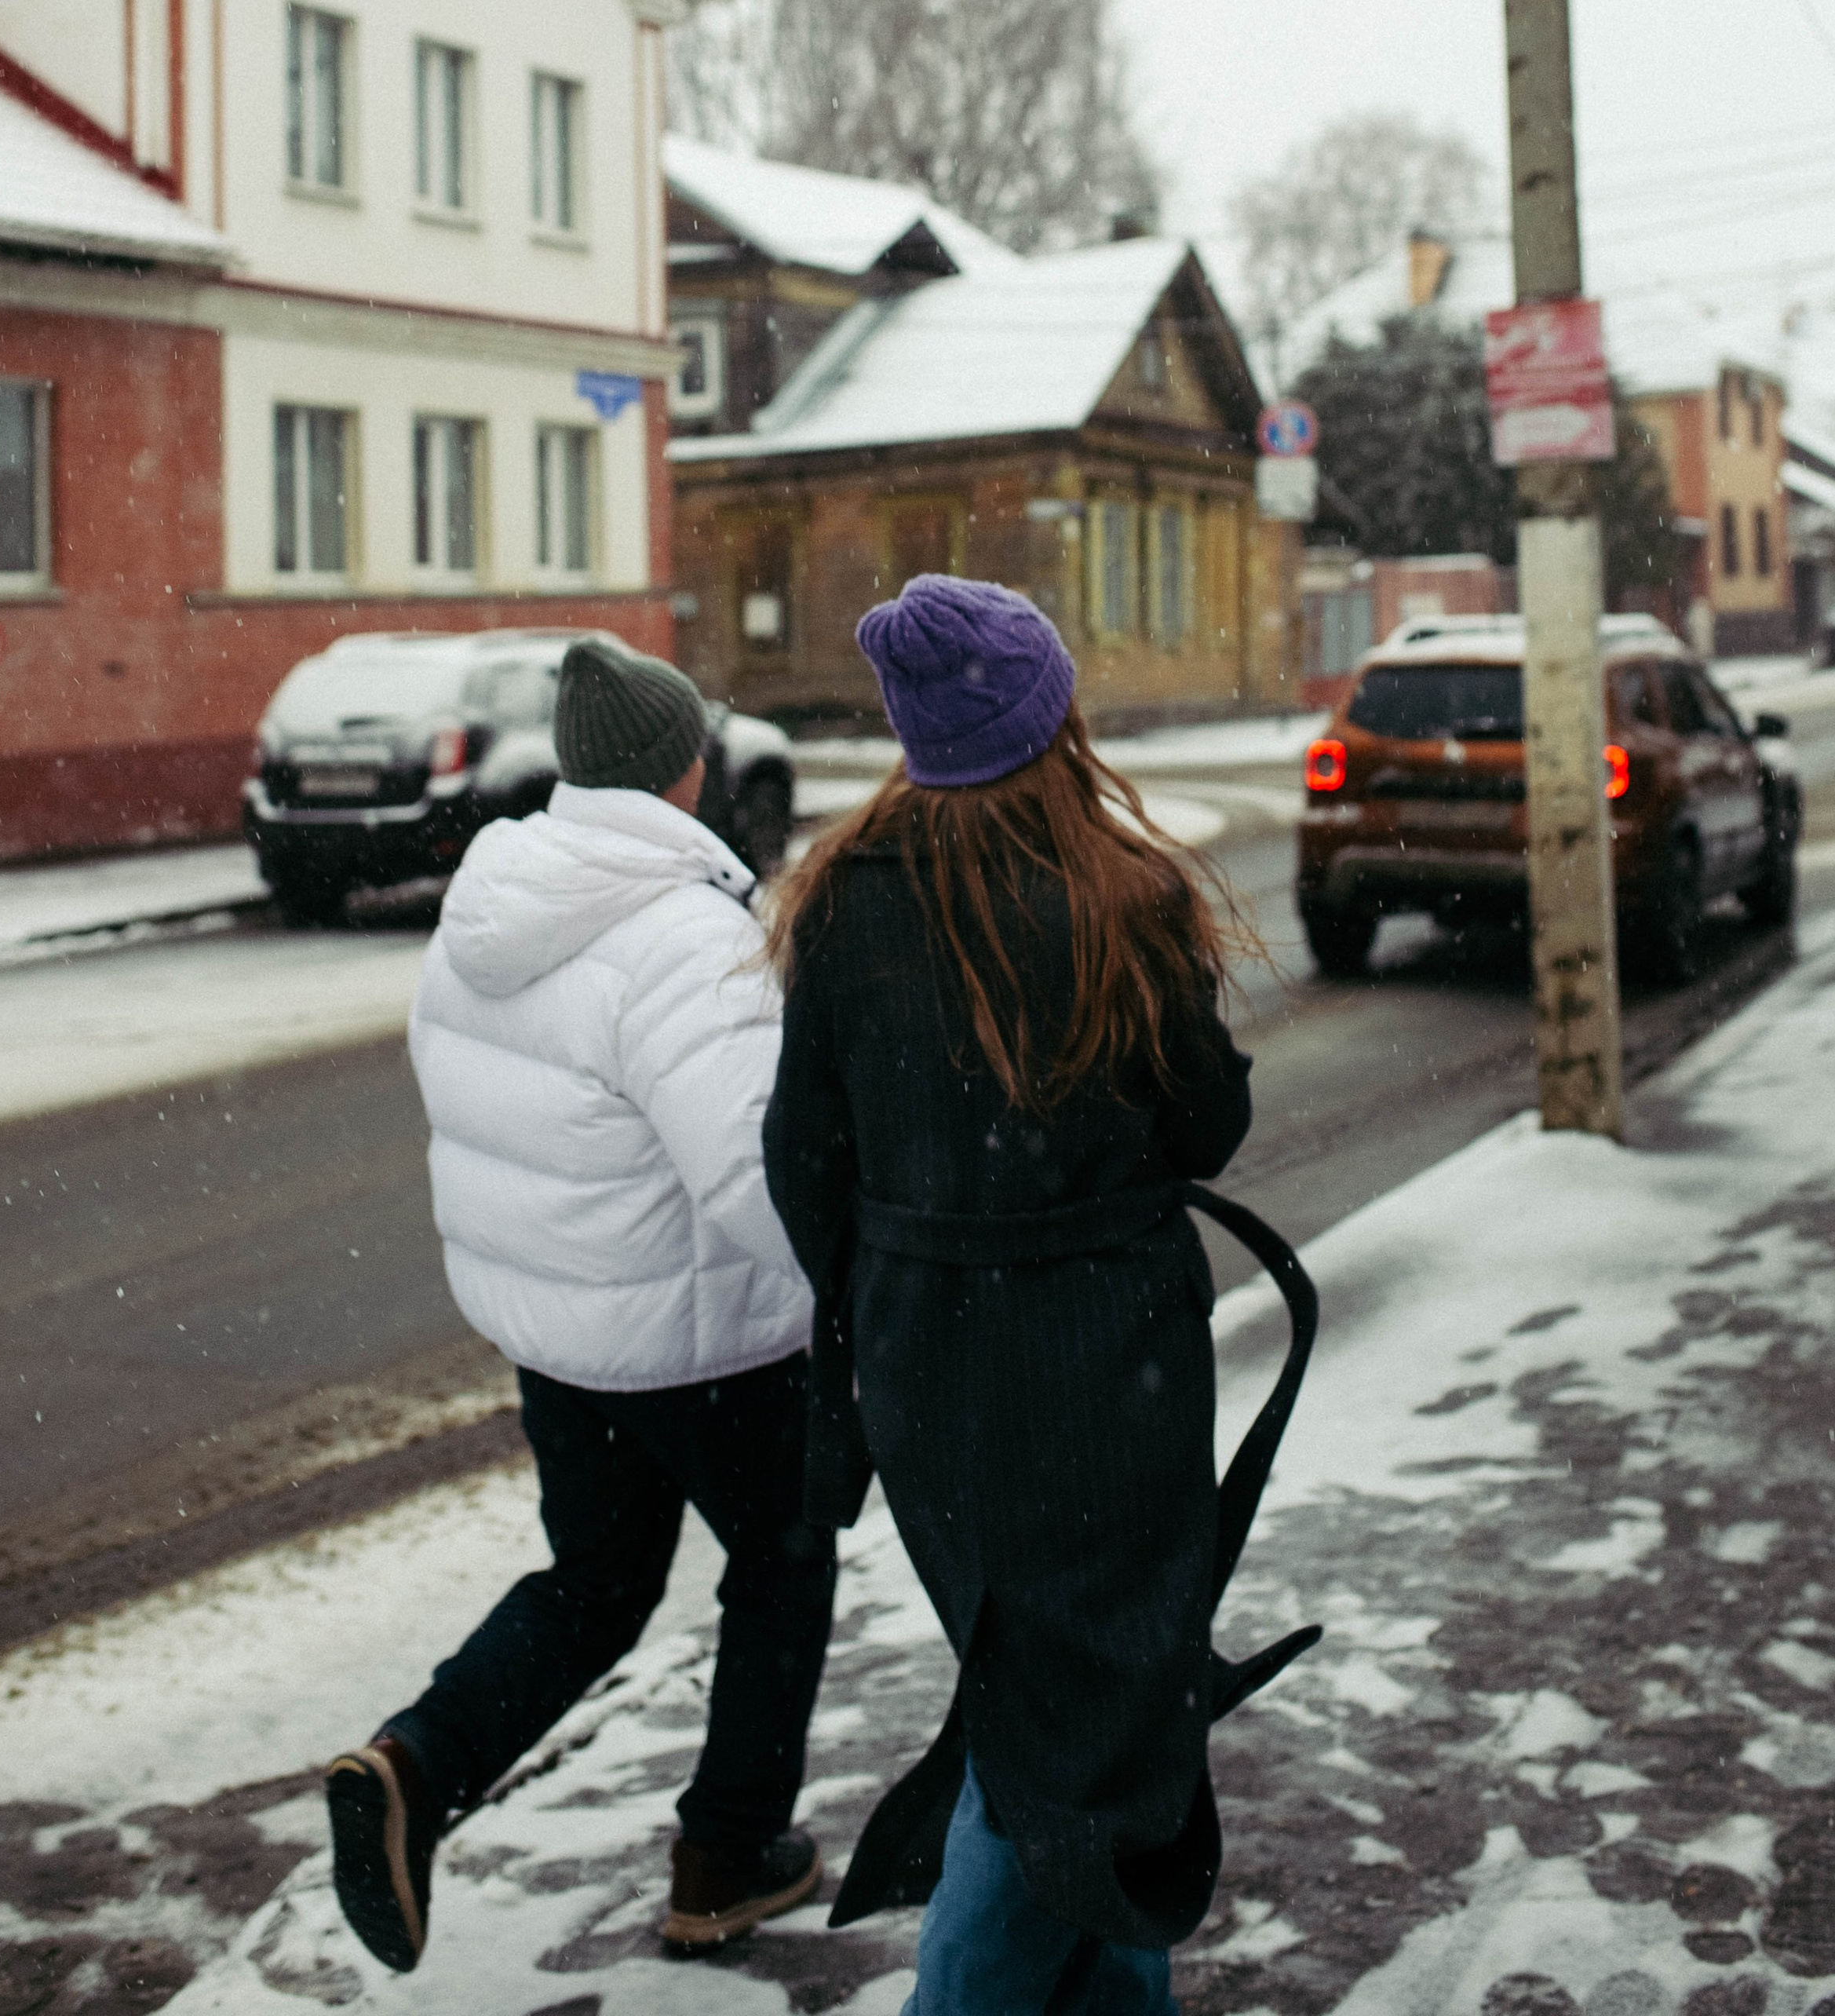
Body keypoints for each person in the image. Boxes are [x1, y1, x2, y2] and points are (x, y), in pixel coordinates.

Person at [762, 575, 1256, 2016]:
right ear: (1052, 723)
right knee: (1080, 1718)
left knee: (1053, 1692)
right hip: (1113, 1365)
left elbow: (804, 1164)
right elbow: (1206, 1127)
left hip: (930, 1372)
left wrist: (900, 1294)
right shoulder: (1128, 895)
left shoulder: (848, 905)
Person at [325, 635, 835, 1974]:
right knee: (781, 1566)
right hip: (709, 1343)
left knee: (597, 1582)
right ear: (687, 768)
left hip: (564, 1340)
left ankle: (416, 1766)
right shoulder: (679, 932)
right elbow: (750, 1175)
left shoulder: (496, 901)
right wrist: (852, 1292)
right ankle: (727, 1857)